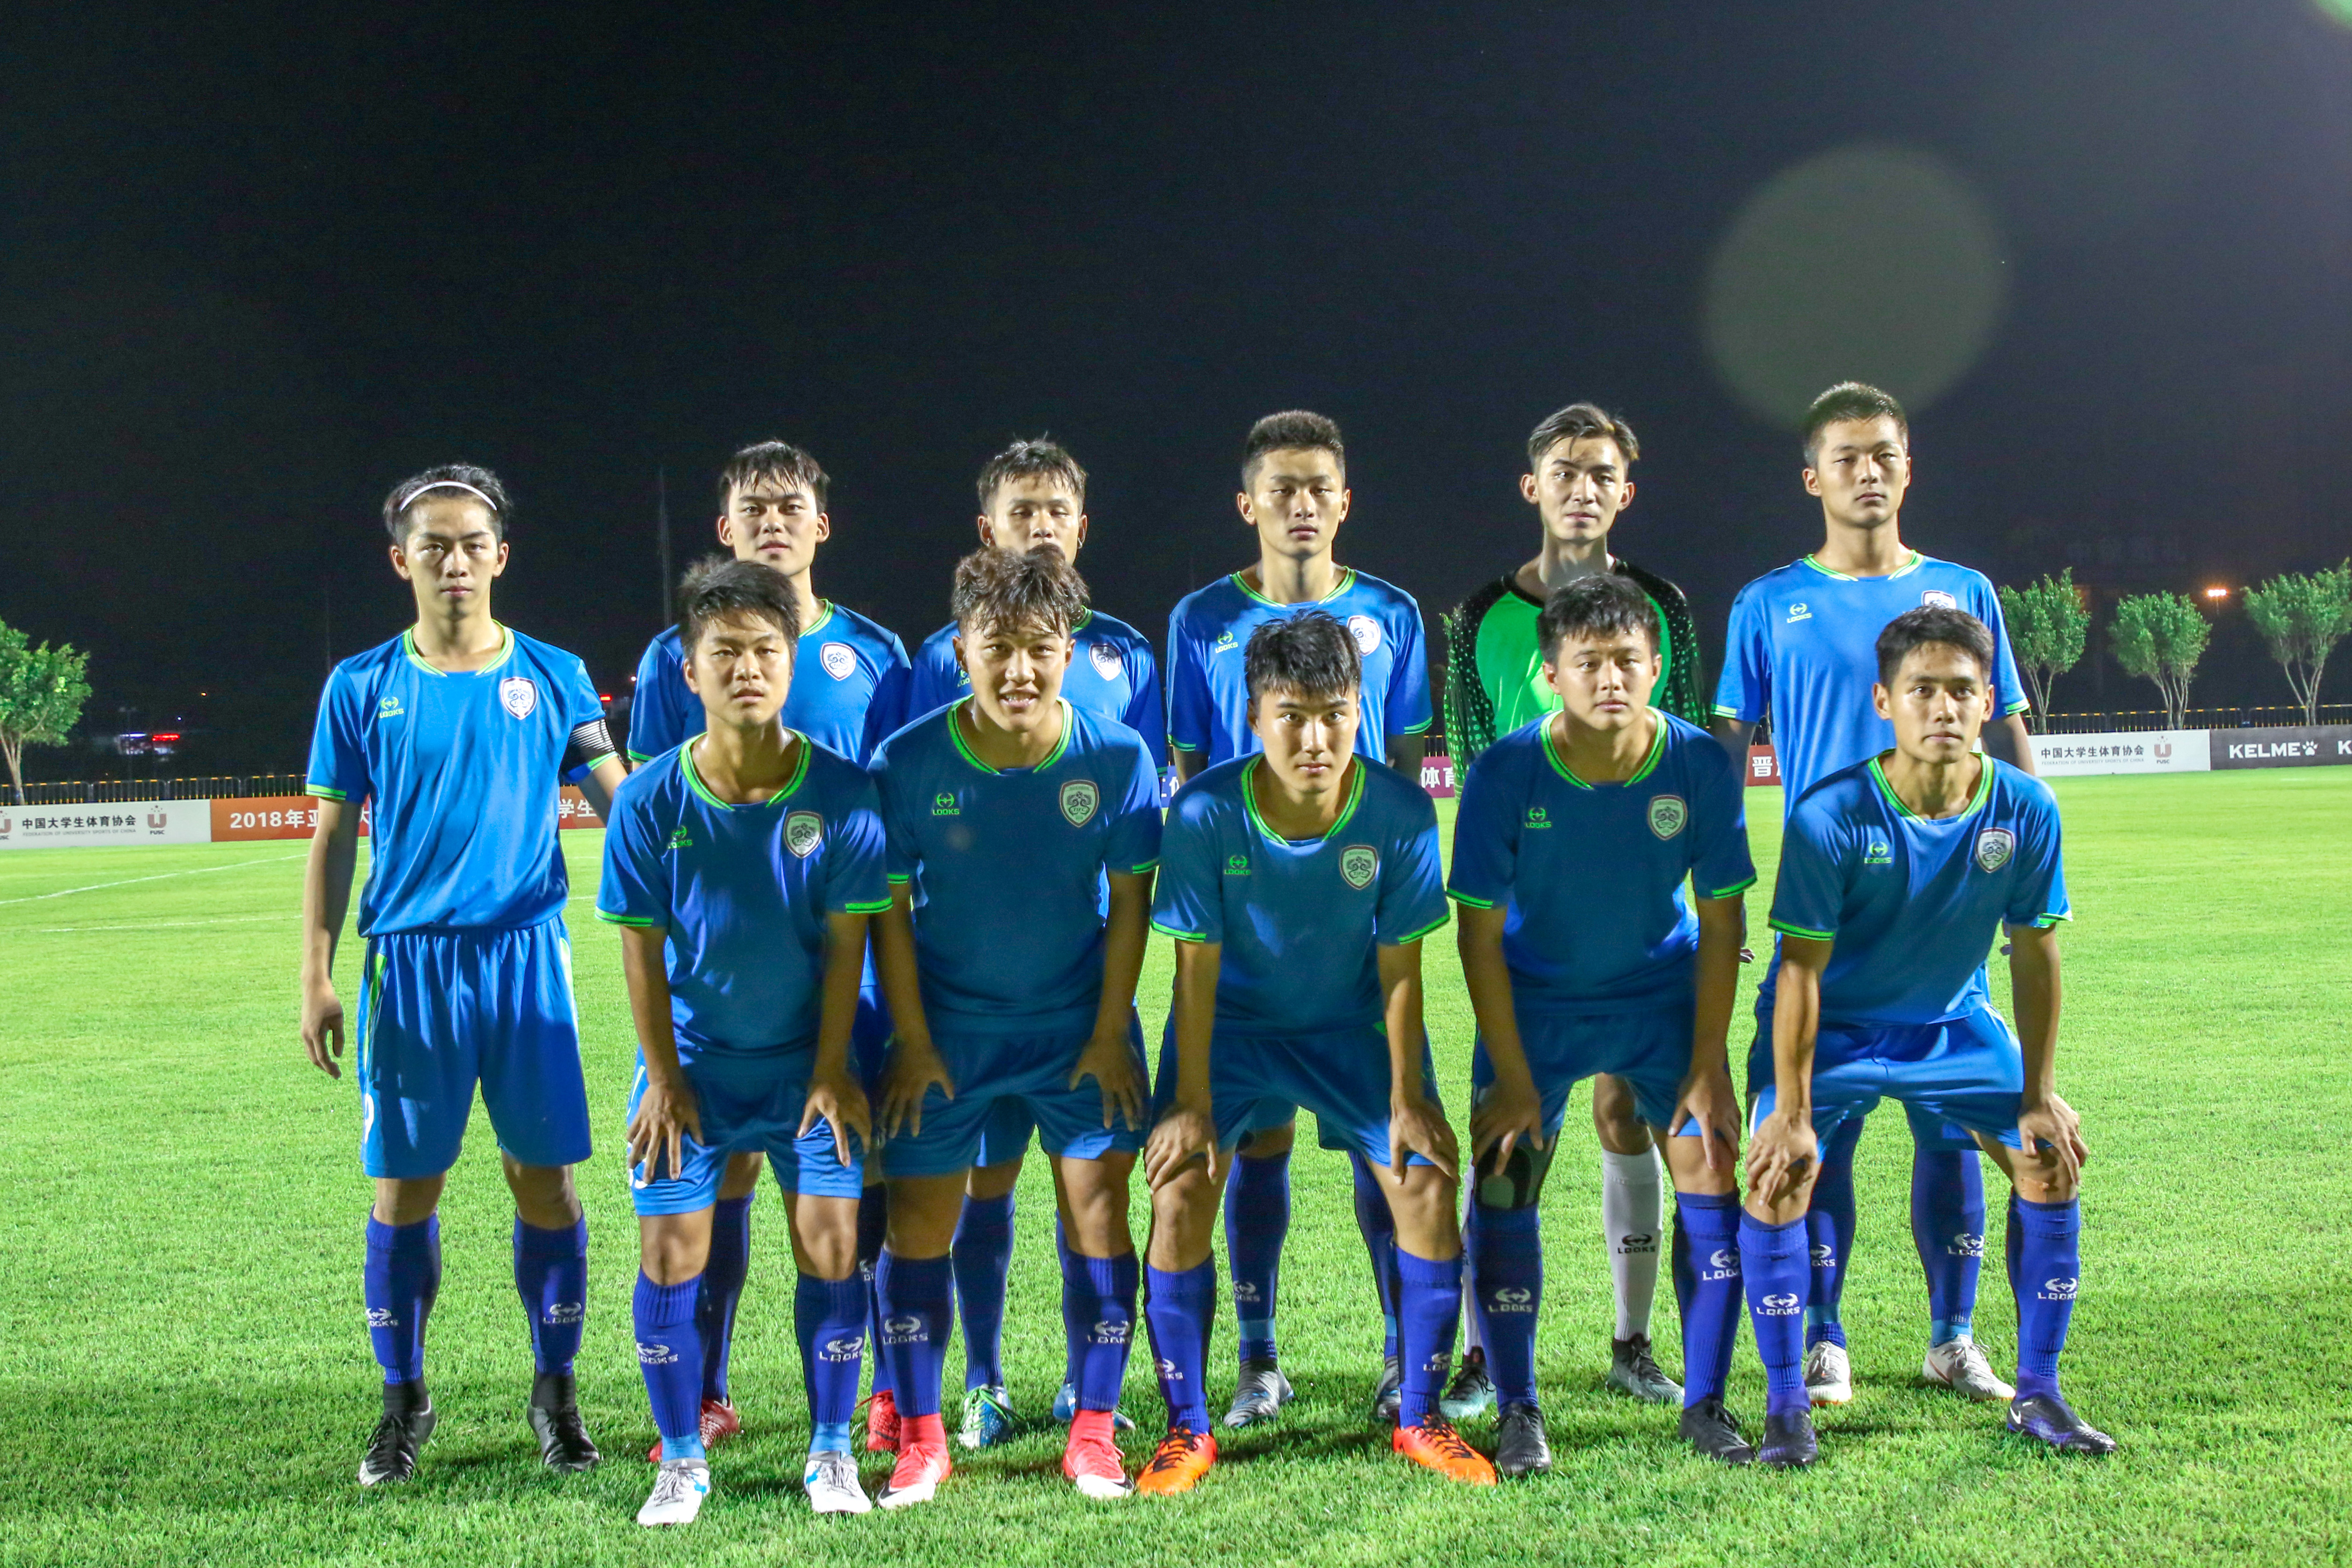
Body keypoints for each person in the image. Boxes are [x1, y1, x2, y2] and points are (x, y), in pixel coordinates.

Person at [1711, 382, 2039, 1408]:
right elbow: (1726, 752)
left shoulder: (1963, 589)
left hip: (1945, 914)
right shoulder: (1767, 603)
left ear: (1908, 469)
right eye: (1846, 457)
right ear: (1813, 477)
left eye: (1884, 454)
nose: (1867, 472)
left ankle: (1953, 1336)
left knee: (1951, 1128)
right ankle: (1824, 1336)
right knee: (1818, 1131)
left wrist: (2024, 868)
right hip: (1826, 911)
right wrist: (1724, 890)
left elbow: (2009, 732)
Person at [299, 465, 626, 1486]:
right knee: (405, 1187)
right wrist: (315, 973)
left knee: (546, 1181)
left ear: (501, 555)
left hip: (526, 960)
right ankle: (403, 1401)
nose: (454, 560)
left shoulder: (556, 674)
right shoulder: (360, 684)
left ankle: (556, 1395)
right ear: (401, 560)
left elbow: (622, 804)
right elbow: (332, 836)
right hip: (410, 967)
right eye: (433, 544)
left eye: (472, 542)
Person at [1742, 606, 2113, 1465]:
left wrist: (2037, 1094)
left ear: (1988, 701)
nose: (1943, 707)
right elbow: (1799, 973)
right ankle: (1787, 1407)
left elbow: (2035, 951)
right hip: (1834, 1031)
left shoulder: (2025, 806)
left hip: (1952, 1024)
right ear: (1885, 701)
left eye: (1961, 690)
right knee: (1779, 1172)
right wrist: (1790, 1110)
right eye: (1922, 690)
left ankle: (2040, 1394)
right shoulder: (1830, 814)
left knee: (2049, 1158)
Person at [1138, 611, 1493, 1494]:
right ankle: (1188, 1429)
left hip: (1350, 1026)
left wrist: (1409, 1095)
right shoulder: (1205, 810)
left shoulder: (1399, 810)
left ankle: (1421, 1416)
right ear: (1254, 716)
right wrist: (1189, 1105)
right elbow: (1194, 969)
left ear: (1359, 710)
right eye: (1291, 715)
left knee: (1425, 1181)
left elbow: (1401, 967)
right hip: (1232, 1028)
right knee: (1179, 1190)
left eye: (1335, 714)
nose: (1315, 739)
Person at [624, 440, 910, 1461]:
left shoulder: (877, 652)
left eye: (792, 505)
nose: (774, 521)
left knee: (853, 1183)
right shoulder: (675, 655)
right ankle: (704, 1389)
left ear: (821, 525)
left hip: (848, 959)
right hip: (725, 979)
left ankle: (880, 1393)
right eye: (755, 507)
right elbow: (663, 793)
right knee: (723, 1177)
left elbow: (890, 801)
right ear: (726, 527)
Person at [865, 546, 1163, 1505]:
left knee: (1099, 1215)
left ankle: (1093, 1431)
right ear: (961, 650)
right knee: (918, 1226)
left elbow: (1131, 904)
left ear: (1069, 649)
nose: (1019, 669)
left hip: (1076, 1025)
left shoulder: (1117, 757)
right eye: (997, 647)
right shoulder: (907, 761)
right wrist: (912, 1039)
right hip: (948, 1032)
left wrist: (1111, 1030)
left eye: (1039, 647)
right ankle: (922, 1440)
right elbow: (886, 915)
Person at [1448, 574, 1757, 1474]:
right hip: (1538, 1001)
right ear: (1551, 675)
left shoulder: (1697, 763)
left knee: (1711, 1164)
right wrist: (1512, 1077)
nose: (1610, 678)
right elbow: (1476, 935)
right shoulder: (1506, 771)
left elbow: (1723, 918)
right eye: (1588, 663)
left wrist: (1708, 1062)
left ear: (1657, 667)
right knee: (1504, 1177)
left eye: (1627, 660)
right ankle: (1519, 1408)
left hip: (1660, 994)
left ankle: (1705, 1401)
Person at [1163, 411, 1434, 1428]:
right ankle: (1257, 1357)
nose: (1302, 504)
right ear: (1249, 504)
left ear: (1345, 500)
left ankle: (1402, 1360)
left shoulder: (1393, 612)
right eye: (1282, 487)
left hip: (1350, 937)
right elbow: (1195, 769)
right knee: (1255, 1143)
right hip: (1246, 939)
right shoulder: (1200, 618)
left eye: (1320, 486)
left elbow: (1399, 765)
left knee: (1388, 1151)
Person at [1437, 402, 1705, 1420]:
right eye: (1565, 471)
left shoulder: (1665, 605)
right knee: (1511, 1132)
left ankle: (1632, 1343)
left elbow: (1682, 749)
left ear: (1624, 492)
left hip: (1637, 923)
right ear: (1532, 486)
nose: (1582, 489)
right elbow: (1474, 758)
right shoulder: (1477, 615)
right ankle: (1482, 1355)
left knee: (1627, 1114)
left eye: (1601, 473)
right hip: (1529, 931)